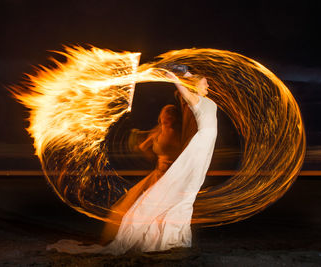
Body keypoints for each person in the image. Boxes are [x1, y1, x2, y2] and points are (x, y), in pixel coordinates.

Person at [46, 66, 218, 255]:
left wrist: (184, 73)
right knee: (185, 190)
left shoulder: (207, 100)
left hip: (205, 147)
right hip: (198, 148)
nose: (208, 84)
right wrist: (172, 77)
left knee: (188, 191)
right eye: (205, 82)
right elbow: (185, 90)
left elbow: (190, 84)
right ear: (196, 86)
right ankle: (169, 238)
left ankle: (173, 236)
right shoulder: (196, 100)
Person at [100, 104, 183, 244]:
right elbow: (143, 146)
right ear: (161, 116)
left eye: (171, 113)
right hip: (159, 174)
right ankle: (137, 240)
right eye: (165, 112)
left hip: (172, 177)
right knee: (135, 208)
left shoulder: (180, 131)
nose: (167, 115)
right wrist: (143, 146)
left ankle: (160, 241)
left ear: (175, 117)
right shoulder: (158, 131)